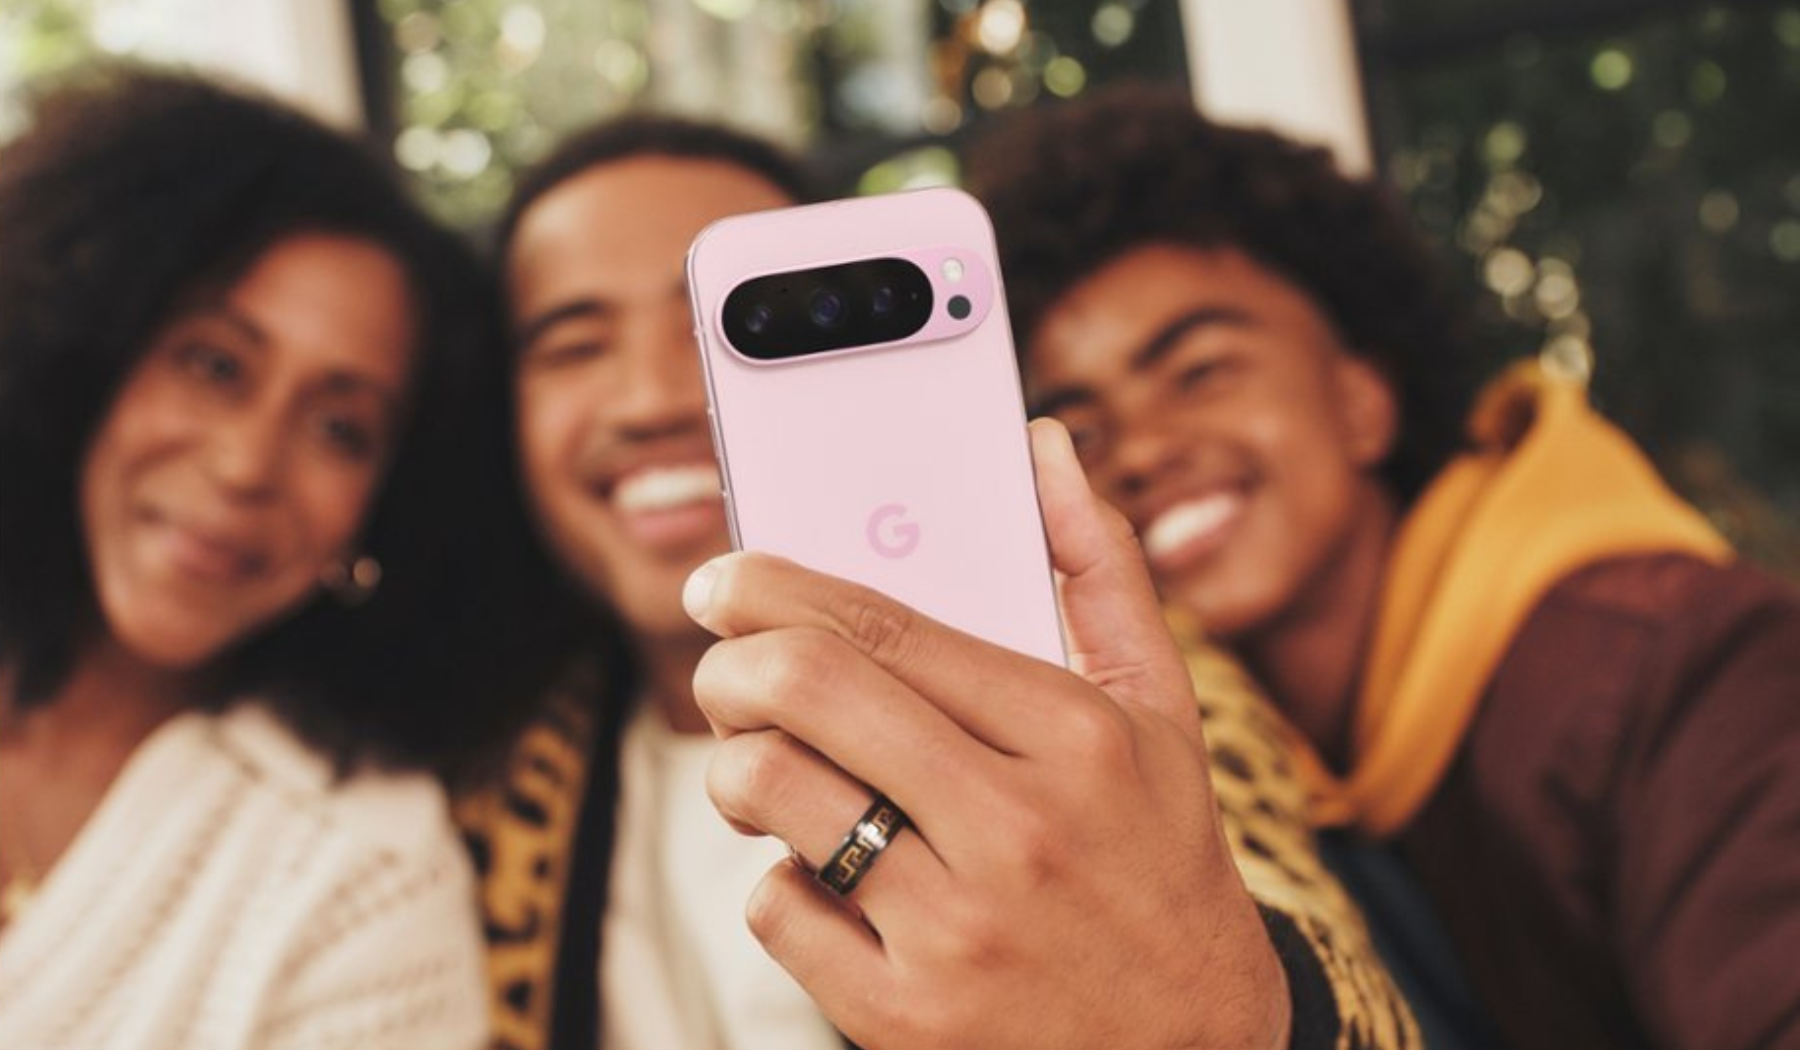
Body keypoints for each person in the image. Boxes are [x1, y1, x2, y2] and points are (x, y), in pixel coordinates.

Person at [460, 114, 1419, 1050]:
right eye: (573, 345)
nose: (652, 397)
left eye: (713, 331)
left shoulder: (1089, 685)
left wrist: (1227, 1012)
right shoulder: (484, 787)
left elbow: (1331, 977)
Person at [974, 82, 1800, 1050]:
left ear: (1364, 399)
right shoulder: (1234, 767)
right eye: (1081, 427)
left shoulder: (1682, 669)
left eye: (1201, 372)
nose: (1142, 451)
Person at [0, 66, 526, 1049]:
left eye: (340, 427)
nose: (247, 466)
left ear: (389, 507)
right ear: (90, 354)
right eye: (215, 365)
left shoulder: (364, 874)